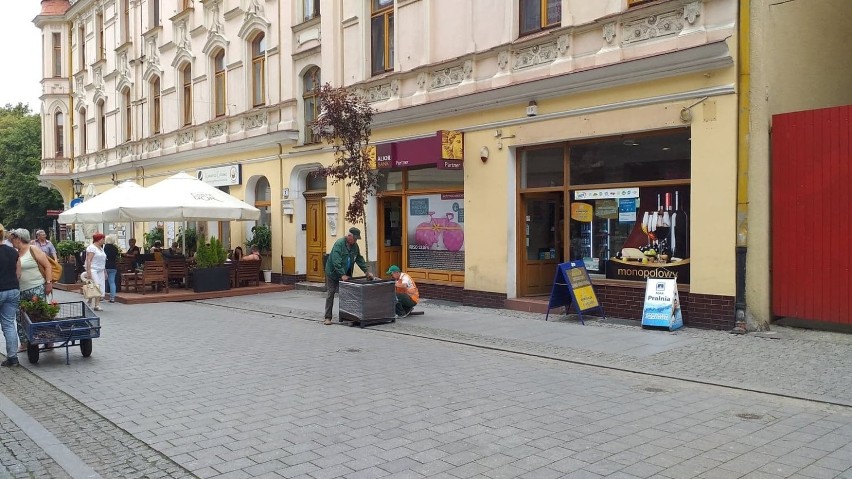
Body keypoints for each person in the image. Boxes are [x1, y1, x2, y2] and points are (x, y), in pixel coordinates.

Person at [8, 229, 54, 351]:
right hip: (20, 290)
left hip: (36, 287)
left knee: (39, 314)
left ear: (18, 238)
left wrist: (49, 283)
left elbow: (48, 266)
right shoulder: (15, 252)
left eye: (12, 239)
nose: (11, 241)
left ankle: (47, 340)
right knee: (20, 317)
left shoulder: (33, 249)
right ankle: (24, 343)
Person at [323, 227, 373, 325]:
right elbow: (336, 261)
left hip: (347, 273)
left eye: (356, 239)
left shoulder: (355, 246)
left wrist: (366, 271)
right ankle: (327, 317)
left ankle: (348, 316)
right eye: (354, 239)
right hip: (333, 273)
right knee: (331, 294)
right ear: (349, 236)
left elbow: (359, 259)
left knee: (348, 294)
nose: (355, 241)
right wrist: (342, 274)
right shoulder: (339, 244)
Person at [0, 239, 21, 366]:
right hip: (13, 290)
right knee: (8, 324)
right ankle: (13, 358)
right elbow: (18, 274)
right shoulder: (13, 251)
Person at [85, 233, 107, 311]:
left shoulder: (101, 248)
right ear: (99, 239)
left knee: (100, 286)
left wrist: (104, 271)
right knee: (95, 285)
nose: (104, 240)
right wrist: (88, 272)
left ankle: (97, 305)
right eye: (103, 239)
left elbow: (103, 261)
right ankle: (90, 299)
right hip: (93, 269)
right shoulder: (92, 248)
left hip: (100, 269)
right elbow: (89, 260)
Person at [103, 235, 119, 303]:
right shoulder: (115, 248)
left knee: (102, 282)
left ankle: (101, 296)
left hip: (105, 266)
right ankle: (112, 298)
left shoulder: (105, 247)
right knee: (112, 282)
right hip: (113, 266)